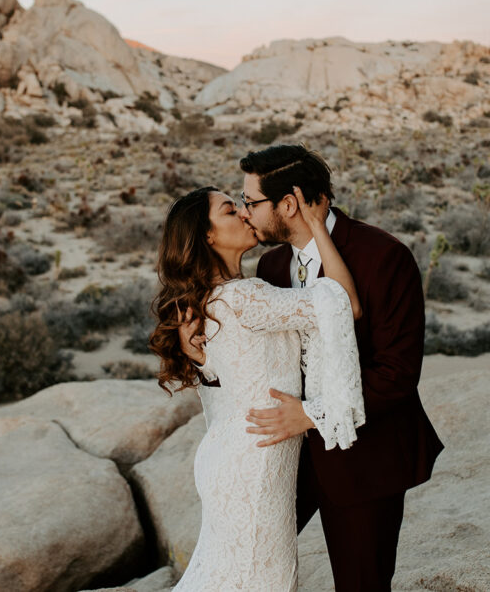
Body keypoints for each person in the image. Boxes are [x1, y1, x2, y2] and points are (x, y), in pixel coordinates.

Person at [233, 144, 444, 592]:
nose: (244, 212)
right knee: (246, 562)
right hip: (288, 455)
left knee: (361, 584)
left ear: (288, 204)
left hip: (365, 455)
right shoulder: (272, 265)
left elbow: (398, 373)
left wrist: (311, 413)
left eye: (251, 202)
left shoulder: (383, 257)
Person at [149, 185, 365, 591]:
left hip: (225, 454)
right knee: (263, 580)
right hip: (256, 463)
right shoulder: (244, 298)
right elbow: (342, 303)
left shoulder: (197, 307)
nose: (245, 215)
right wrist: (318, 226)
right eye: (231, 211)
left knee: (225, 574)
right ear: (208, 236)